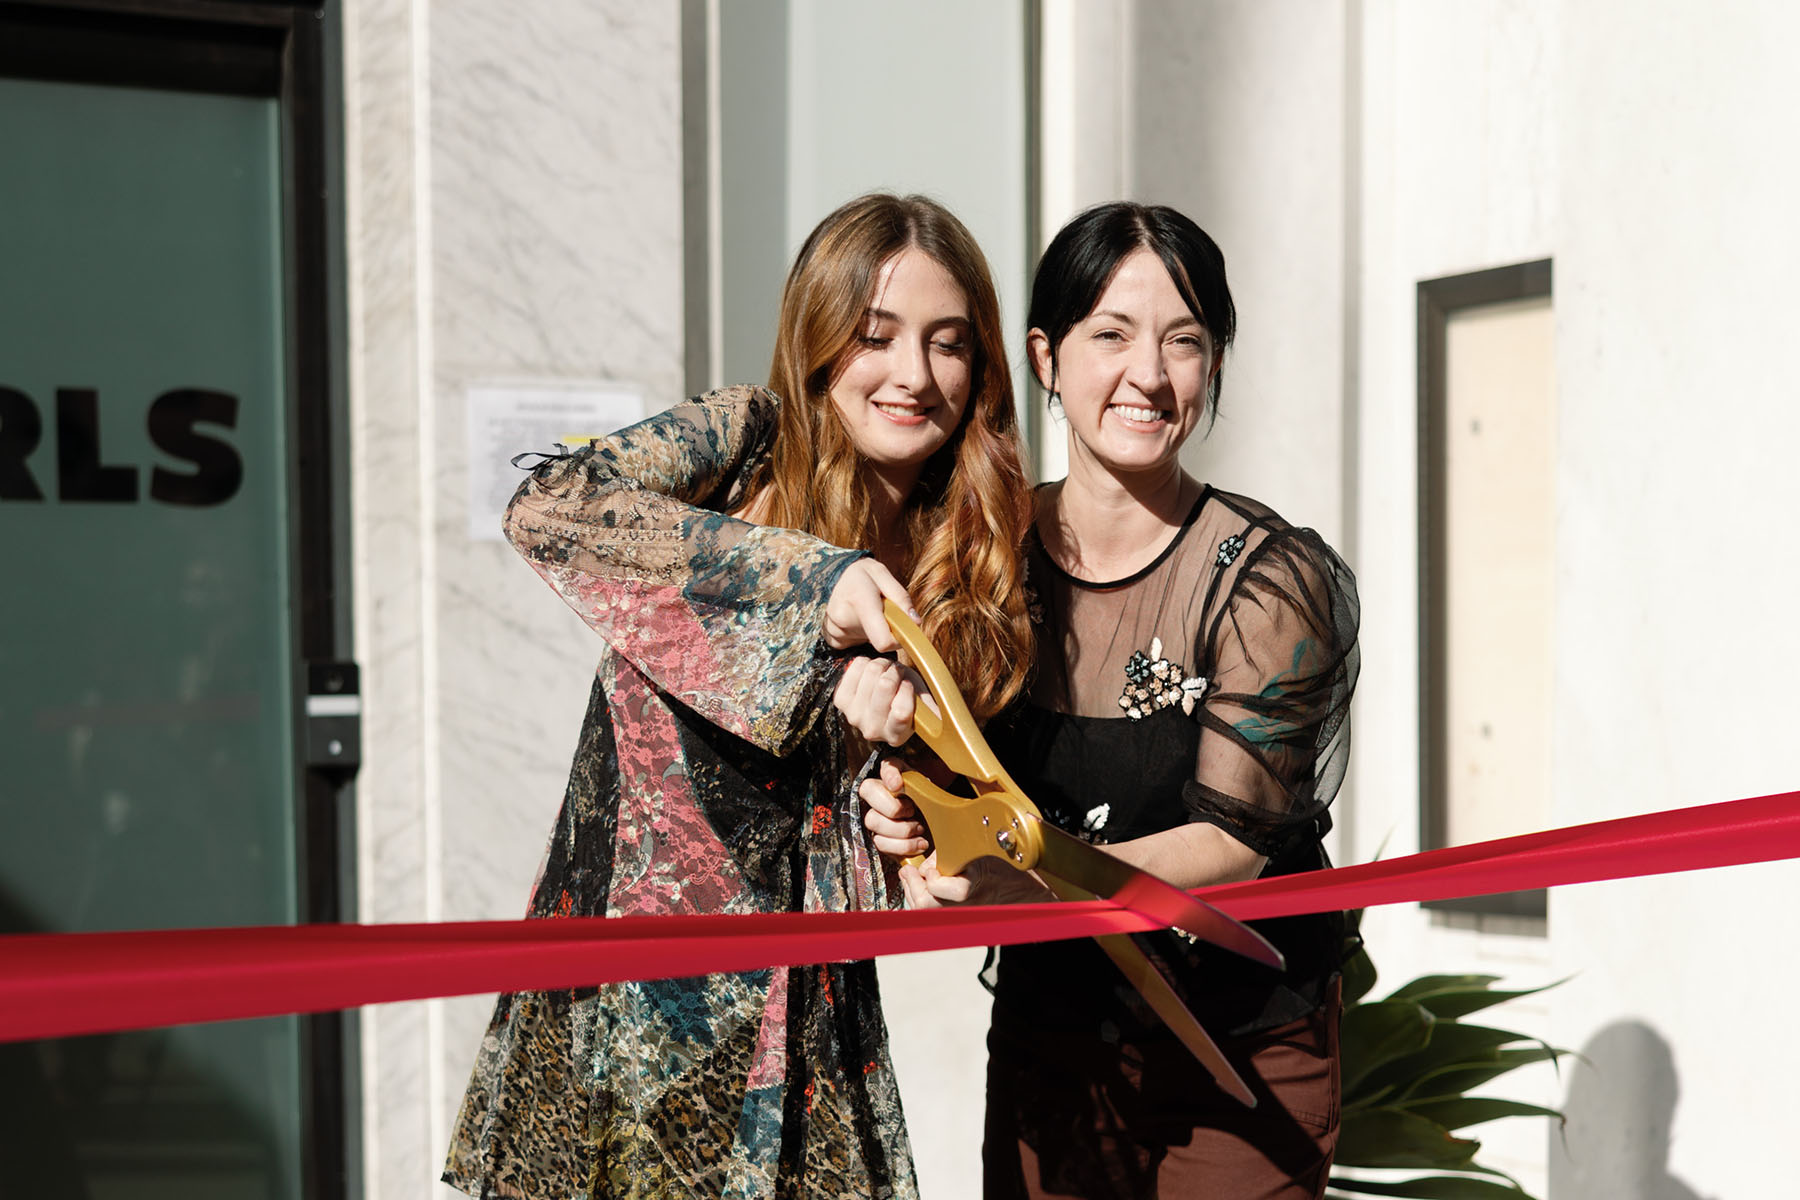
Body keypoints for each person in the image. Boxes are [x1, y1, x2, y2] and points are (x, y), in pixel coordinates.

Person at [442, 193, 1034, 1200]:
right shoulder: (746, 440)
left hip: (805, 1019)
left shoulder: (963, 554)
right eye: (875, 335)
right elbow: (548, 508)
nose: (914, 374)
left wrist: (899, 799)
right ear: (819, 339)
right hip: (635, 1004)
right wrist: (814, 584)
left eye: (948, 343)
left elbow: (893, 842)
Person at [841, 201, 1361, 1199]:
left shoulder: (1268, 581)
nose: (1149, 375)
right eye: (1111, 335)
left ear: (1215, 364)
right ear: (1047, 357)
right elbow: (958, 777)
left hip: (1243, 1052)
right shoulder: (980, 558)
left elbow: (1234, 842)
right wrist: (906, 812)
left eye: (1184, 342)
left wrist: (1031, 888)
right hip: (1053, 1040)